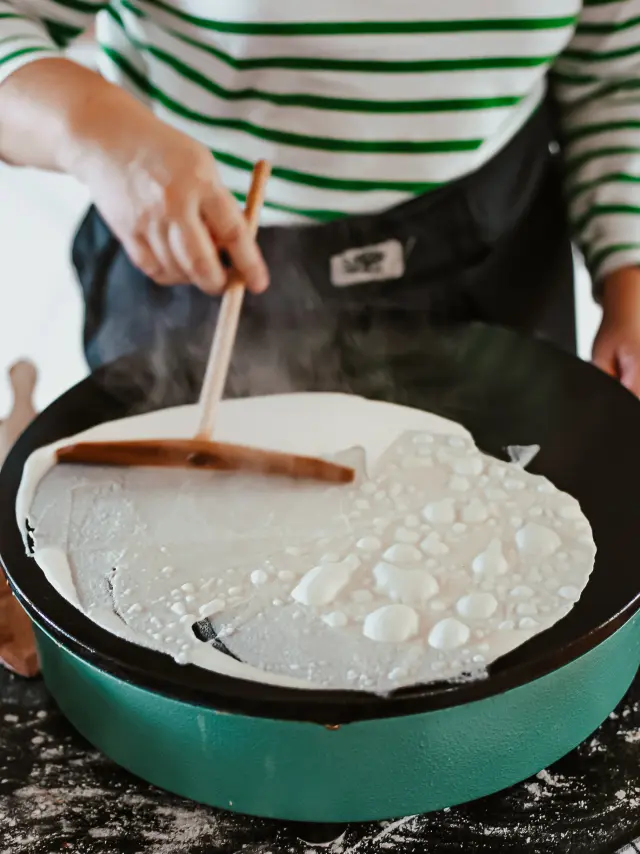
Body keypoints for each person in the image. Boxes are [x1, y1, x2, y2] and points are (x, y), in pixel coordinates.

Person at [0, 2, 639, 397]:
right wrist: (97, 130)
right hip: (202, 240)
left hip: (490, 243)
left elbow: (616, 77)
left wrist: (629, 276)